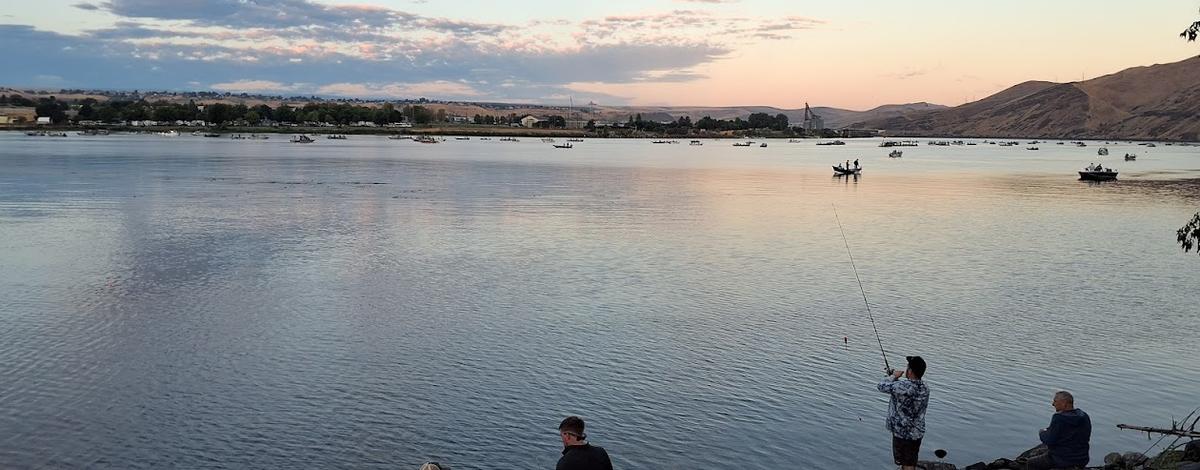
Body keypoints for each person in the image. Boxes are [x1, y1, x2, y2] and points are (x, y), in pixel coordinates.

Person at [877, 356, 930, 470]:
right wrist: (895, 379)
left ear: (910, 371)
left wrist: (893, 376)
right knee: (911, 459)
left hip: (903, 433)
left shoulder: (903, 387)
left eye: (907, 367)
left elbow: (881, 386)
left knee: (906, 463)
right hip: (917, 431)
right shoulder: (925, 387)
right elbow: (906, 389)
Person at [1025, 391, 1091, 470]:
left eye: (1055, 401)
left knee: (1031, 462)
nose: (1053, 404)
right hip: (1082, 458)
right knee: (1041, 451)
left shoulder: (1059, 418)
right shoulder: (1084, 416)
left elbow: (1049, 440)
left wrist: (1042, 432)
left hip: (1063, 459)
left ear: (1064, 403)